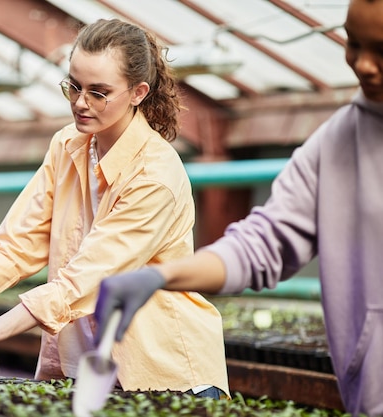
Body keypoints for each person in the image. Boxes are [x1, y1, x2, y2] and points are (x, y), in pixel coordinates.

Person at [0, 18, 230, 397]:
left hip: (163, 373)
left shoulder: (155, 176)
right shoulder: (69, 146)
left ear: (138, 92)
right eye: (74, 86)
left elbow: (81, 283)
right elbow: (19, 246)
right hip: (85, 364)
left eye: (99, 92)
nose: (81, 103)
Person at [94, 1, 383, 415]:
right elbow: (260, 245)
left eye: (382, 50)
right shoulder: (338, 143)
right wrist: (160, 275)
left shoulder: (155, 169)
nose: (366, 66)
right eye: (354, 44)